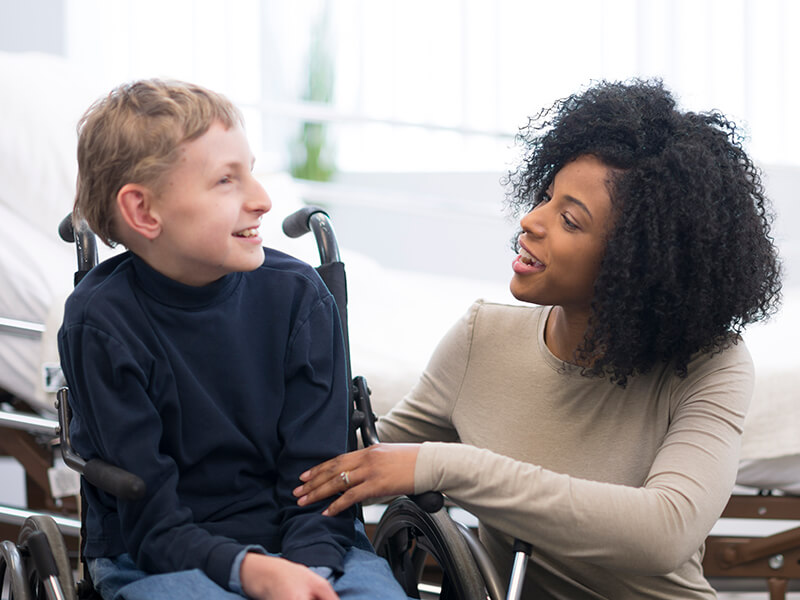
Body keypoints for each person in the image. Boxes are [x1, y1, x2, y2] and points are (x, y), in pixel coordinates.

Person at [293, 79, 783, 599]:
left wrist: (446, 464)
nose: (530, 221)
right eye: (546, 197)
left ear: (637, 262)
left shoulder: (713, 364)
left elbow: (664, 532)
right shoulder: (481, 338)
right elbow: (370, 454)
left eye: (570, 219)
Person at [58, 79, 410, 600]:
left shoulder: (298, 298)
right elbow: (152, 522)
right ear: (143, 212)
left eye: (253, 171)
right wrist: (251, 573)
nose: (263, 200)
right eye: (227, 180)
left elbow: (317, 478)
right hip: (156, 556)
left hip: (312, 543)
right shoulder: (102, 323)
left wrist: (308, 572)